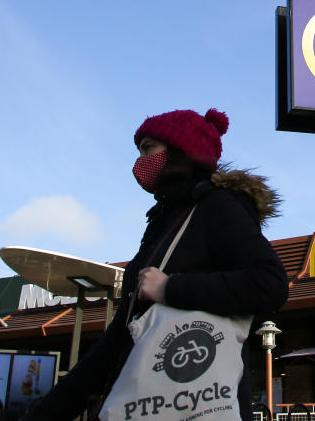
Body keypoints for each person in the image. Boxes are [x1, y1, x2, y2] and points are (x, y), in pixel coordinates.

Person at [20, 108, 288, 421]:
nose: (140, 161)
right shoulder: (166, 221)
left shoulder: (216, 207)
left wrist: (169, 288)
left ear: (181, 151)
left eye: (148, 149)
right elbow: (119, 338)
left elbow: (270, 283)